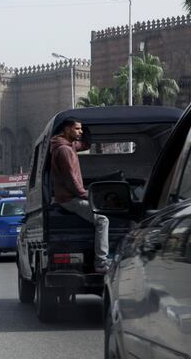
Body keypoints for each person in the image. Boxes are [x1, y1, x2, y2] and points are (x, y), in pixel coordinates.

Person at [50, 117, 110, 273]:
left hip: (72, 195)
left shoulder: (69, 146)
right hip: (69, 199)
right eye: (77, 128)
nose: (80, 131)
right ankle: (101, 262)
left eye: (81, 128)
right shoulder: (64, 151)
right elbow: (70, 180)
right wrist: (86, 195)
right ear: (67, 129)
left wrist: (88, 129)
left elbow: (85, 144)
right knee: (102, 220)